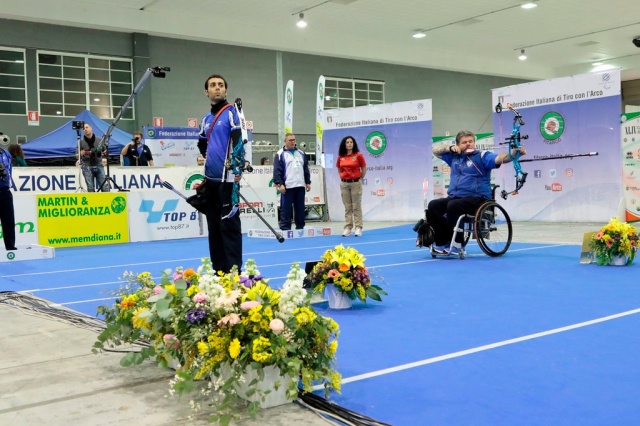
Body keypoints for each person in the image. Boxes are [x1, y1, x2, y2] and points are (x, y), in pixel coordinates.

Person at [427, 130, 526, 254]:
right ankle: (442, 243)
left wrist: (512, 155)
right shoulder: (453, 157)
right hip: (455, 197)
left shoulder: (482, 156)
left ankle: (458, 244)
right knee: (433, 205)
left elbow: (499, 158)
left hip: (478, 199)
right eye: (464, 142)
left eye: (471, 141)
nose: (468, 144)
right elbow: (435, 150)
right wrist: (450, 148)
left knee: (453, 206)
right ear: (457, 144)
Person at [197, 73, 243, 273]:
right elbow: (201, 143)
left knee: (229, 227)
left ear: (226, 90)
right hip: (210, 182)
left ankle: (234, 273)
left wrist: (237, 167)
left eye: (221, 85)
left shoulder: (232, 112)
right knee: (214, 229)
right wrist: (206, 158)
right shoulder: (206, 119)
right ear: (206, 92)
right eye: (213, 85)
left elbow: (239, 141)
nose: (217, 88)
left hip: (228, 181)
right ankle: (218, 271)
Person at [273, 133, 311, 230]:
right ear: (285, 141)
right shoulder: (280, 154)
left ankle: (300, 227)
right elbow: (277, 170)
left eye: (294, 140)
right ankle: (285, 228)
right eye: (290, 140)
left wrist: (308, 182)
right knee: (286, 209)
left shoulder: (301, 153)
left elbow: (305, 169)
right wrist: (280, 184)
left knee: (300, 209)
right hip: (287, 186)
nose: (292, 142)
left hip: (300, 185)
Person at [336, 135, 366, 237]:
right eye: (347, 142)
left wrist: (359, 178)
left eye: (351, 142)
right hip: (344, 183)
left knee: (356, 206)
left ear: (354, 144)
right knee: (347, 206)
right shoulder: (341, 156)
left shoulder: (358, 155)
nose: (349, 144)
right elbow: (339, 168)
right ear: (344, 144)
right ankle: (348, 227)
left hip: (355, 183)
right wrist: (342, 176)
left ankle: (358, 227)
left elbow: (364, 167)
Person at [77, 123, 107, 192]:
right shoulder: (80, 142)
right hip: (86, 166)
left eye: (87, 127)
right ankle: (93, 202)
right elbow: (76, 155)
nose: (85, 129)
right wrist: (80, 154)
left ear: (91, 128)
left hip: (98, 164)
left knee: (104, 186)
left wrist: (104, 158)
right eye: (84, 128)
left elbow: (105, 150)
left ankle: (107, 201)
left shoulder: (100, 140)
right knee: (90, 188)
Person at [0, 146, 17, 250]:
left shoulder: (5, 153)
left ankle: (10, 246)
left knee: (9, 222)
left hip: (5, 191)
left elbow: (9, 170)